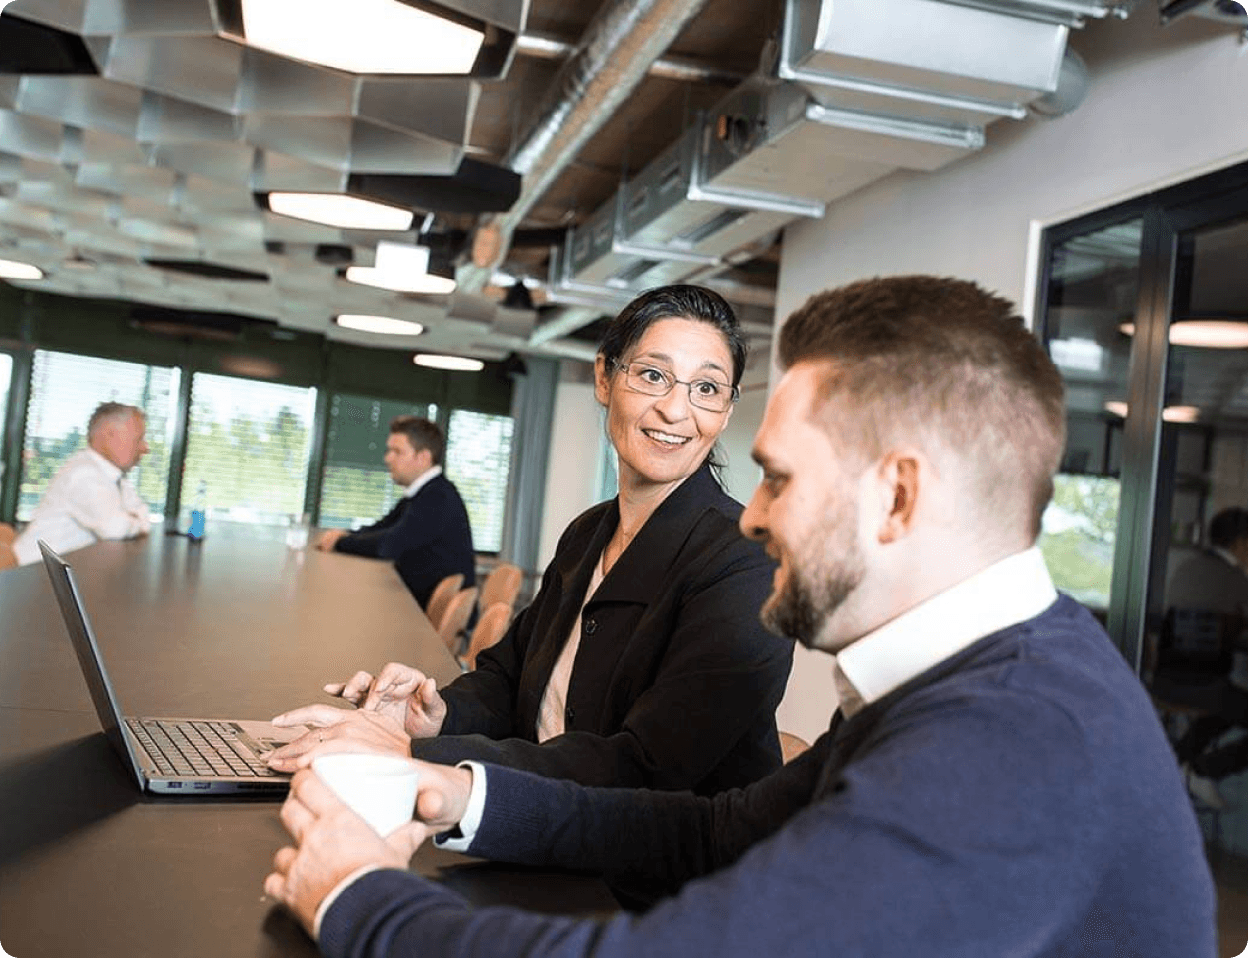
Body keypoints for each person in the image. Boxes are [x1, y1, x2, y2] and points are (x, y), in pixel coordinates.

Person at [266, 276, 1216, 957]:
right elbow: (716, 833)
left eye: (780, 478)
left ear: (896, 498)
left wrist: (359, 897)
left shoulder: (1015, 741)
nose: (752, 514)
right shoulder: (956, 674)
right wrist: (456, 792)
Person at [269, 285, 793, 799]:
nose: (677, 411)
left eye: (706, 388)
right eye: (654, 375)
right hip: (535, 820)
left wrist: (408, 755)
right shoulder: (589, 532)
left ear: (725, 410)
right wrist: (428, 717)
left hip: (638, 878)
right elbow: (506, 678)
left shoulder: (748, 562)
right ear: (605, 378)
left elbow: (644, 768)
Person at [315, 416, 475, 611]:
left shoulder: (437, 497)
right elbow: (383, 527)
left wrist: (340, 543)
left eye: (397, 451)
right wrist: (344, 534)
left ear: (423, 457)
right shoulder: (422, 494)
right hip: (414, 603)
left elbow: (388, 545)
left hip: (424, 618)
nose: (387, 458)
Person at [1155, 506, 1248, 809]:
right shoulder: (1236, 580)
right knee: (1227, 702)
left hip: (1164, 682)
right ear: (1240, 543)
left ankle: (1174, 767)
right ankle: (1204, 770)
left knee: (1227, 707)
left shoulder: (1186, 567)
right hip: (1205, 686)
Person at [13, 402, 151, 565]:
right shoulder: (83, 473)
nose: (145, 448)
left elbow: (144, 516)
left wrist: (132, 520)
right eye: (138, 439)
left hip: (65, 572)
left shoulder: (113, 476)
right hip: (34, 574)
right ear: (109, 435)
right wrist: (133, 521)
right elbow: (114, 528)